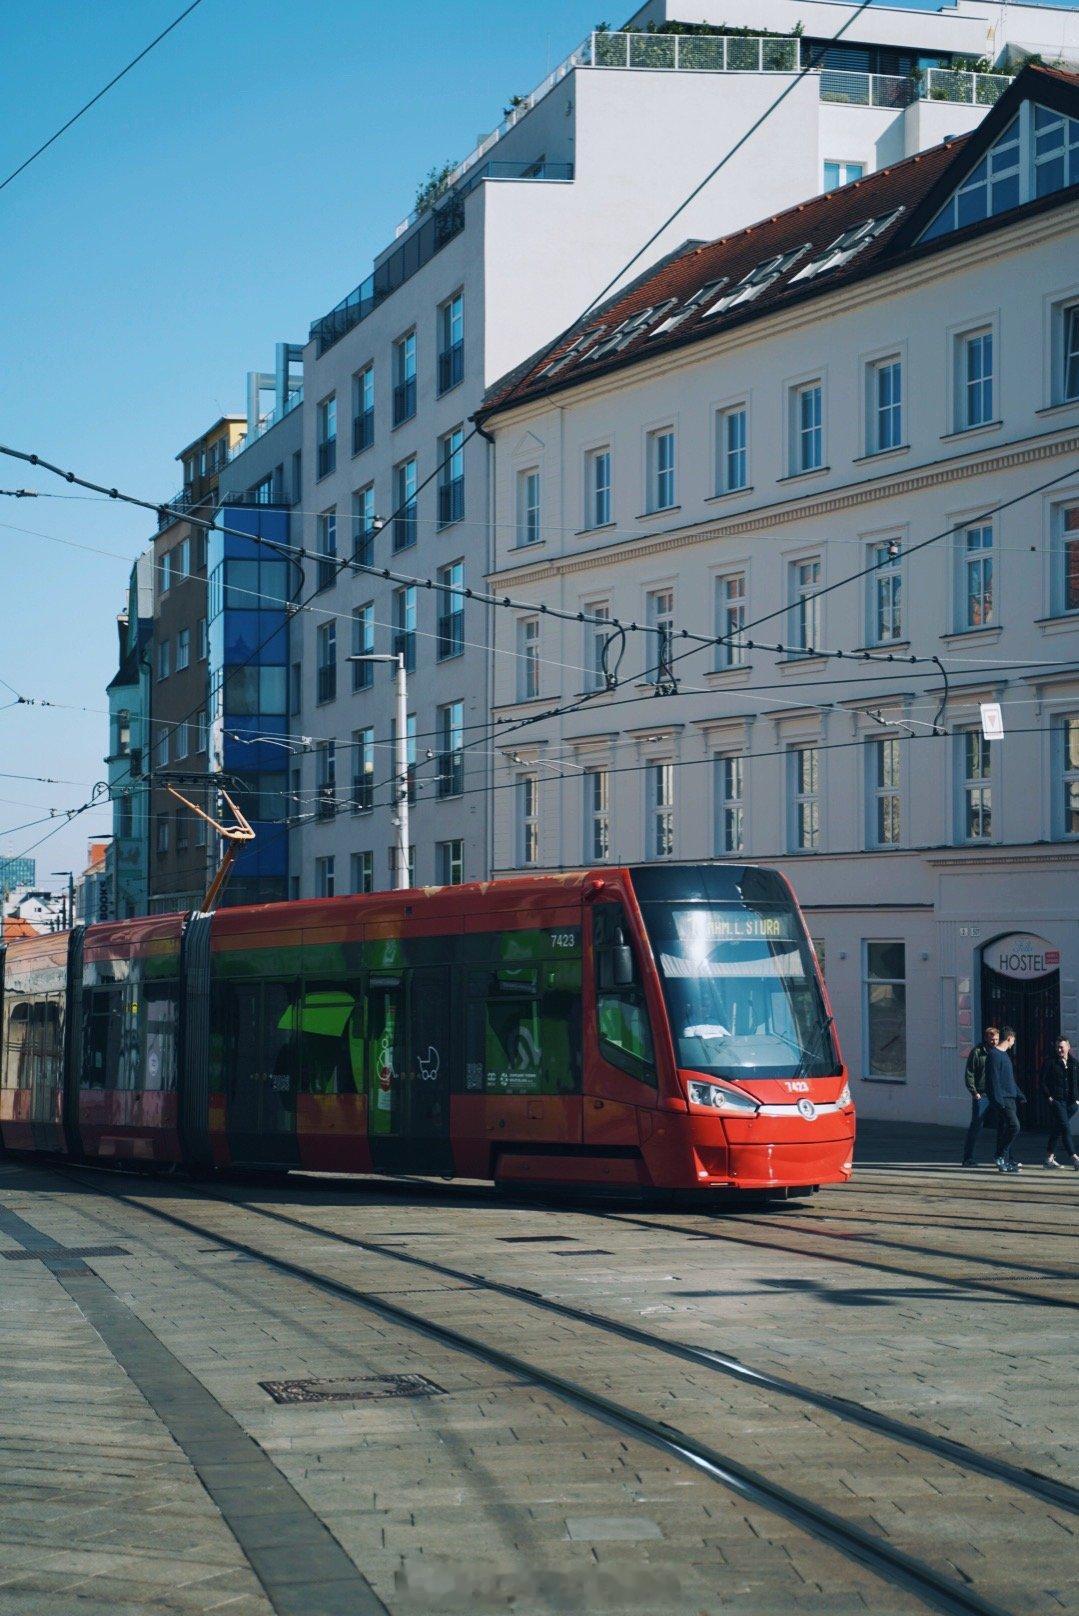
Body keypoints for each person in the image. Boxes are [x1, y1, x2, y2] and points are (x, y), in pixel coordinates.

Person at [985, 1026, 1024, 1173]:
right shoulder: (994, 1055)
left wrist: (1019, 1094)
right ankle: (999, 1155)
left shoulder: (1005, 1055)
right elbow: (993, 1080)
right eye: (1013, 1040)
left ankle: (1005, 1161)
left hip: (1011, 1098)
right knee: (1015, 1126)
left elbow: (1009, 1080)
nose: (1014, 1043)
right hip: (1003, 1100)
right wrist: (998, 1100)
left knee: (1005, 1130)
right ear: (1009, 1038)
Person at [961, 1025, 999, 1166]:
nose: (994, 1042)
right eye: (991, 1039)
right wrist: (974, 1092)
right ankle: (968, 1158)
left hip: (996, 1094)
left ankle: (1002, 1157)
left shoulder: (998, 1052)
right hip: (981, 1095)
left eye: (996, 1039)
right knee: (976, 1126)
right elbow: (969, 1073)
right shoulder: (977, 1052)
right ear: (986, 1038)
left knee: (1005, 1124)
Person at [1040, 1035, 1079, 1170]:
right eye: (1057, 1047)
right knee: (1065, 1127)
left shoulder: (1074, 1064)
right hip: (1057, 1101)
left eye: (1062, 1047)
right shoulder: (1050, 1062)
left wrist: (1078, 1100)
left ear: (1068, 1047)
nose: (1059, 1050)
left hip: (1072, 1103)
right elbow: (1042, 1081)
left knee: (1058, 1127)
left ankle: (1049, 1158)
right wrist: (1049, 1097)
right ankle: (1075, 1158)